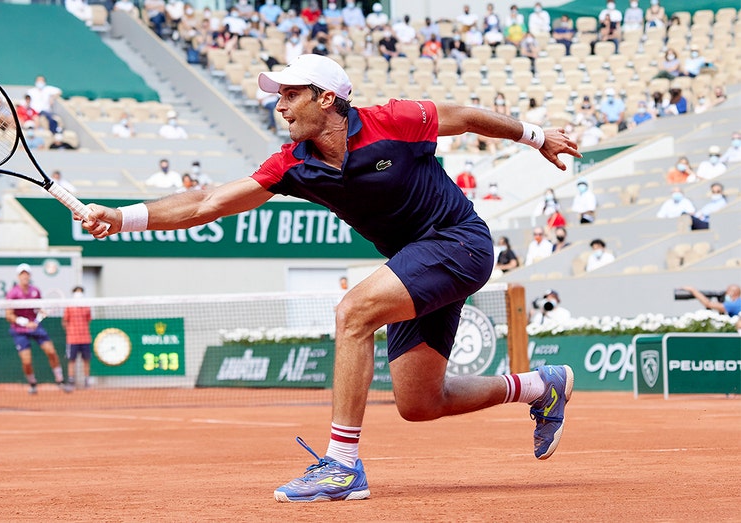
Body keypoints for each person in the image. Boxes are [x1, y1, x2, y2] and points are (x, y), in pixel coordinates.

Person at [79, 53, 581, 502]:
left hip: (461, 242)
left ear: (326, 99)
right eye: (279, 96)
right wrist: (123, 218)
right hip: (415, 260)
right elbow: (207, 202)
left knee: (353, 312)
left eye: (291, 94)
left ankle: (341, 466)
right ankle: (541, 386)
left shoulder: (397, 120)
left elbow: (466, 118)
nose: (280, 105)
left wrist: (537, 137)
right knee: (421, 403)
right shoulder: (291, 165)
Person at [5, 263, 68, 394]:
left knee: (51, 351)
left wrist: (42, 312)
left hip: (36, 327)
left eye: (26, 274)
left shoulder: (35, 291)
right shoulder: (12, 293)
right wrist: (25, 323)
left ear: (29, 276)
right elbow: (9, 315)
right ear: (18, 276)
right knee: (26, 361)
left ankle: (60, 380)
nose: (24, 276)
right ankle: (32, 383)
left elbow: (39, 308)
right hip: (19, 330)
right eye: (22, 274)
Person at [62, 285, 93, 390]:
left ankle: (87, 380)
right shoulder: (69, 306)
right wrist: (71, 331)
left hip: (85, 338)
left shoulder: (86, 306)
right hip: (72, 339)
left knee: (86, 360)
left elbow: (89, 320)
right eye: (77, 291)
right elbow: (65, 321)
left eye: (80, 291)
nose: (78, 293)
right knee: (71, 360)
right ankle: (71, 381)